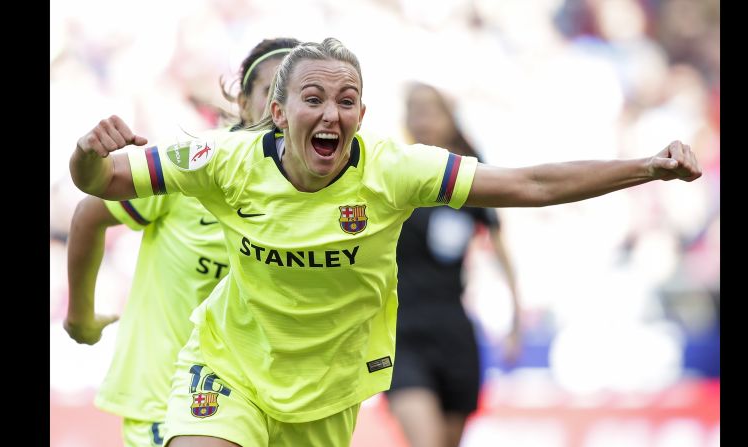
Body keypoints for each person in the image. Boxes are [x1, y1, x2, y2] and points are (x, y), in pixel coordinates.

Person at [68, 38, 701, 447]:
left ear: (362, 118)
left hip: (326, 389)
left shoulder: (395, 170)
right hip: (228, 369)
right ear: (280, 113)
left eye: (347, 101)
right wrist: (86, 154)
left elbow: (530, 184)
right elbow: (102, 185)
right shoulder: (223, 160)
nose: (331, 113)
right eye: (312, 98)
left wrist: (644, 167)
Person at [63, 37, 300, 447]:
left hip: (258, 409)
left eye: (302, 96)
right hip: (166, 403)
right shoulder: (198, 160)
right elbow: (89, 212)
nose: (286, 109)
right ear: (243, 104)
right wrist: (80, 317)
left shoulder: (321, 188)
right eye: (272, 93)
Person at [386, 82, 522, 447]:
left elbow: (502, 251)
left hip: (453, 332)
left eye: (431, 110)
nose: (422, 119)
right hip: (401, 334)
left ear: (449, 118)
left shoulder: (469, 182)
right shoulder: (393, 174)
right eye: (414, 110)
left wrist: (515, 321)